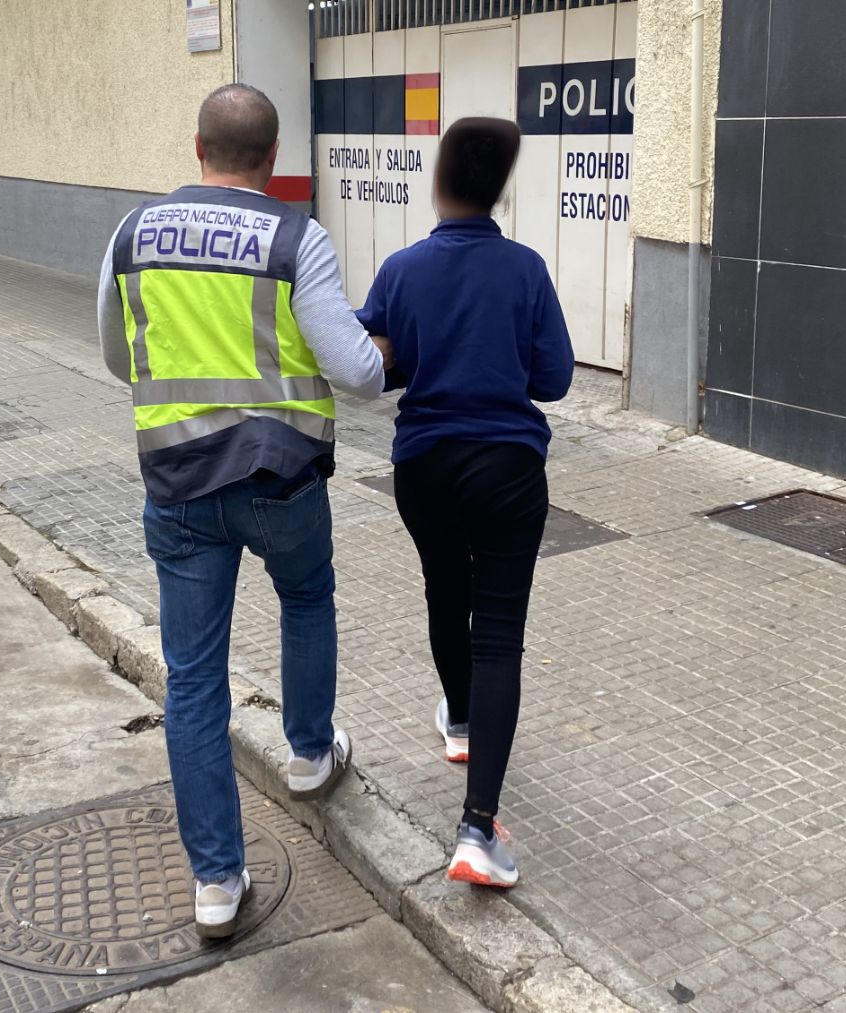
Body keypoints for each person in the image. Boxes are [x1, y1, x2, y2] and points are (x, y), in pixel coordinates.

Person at [96, 83, 385, 938]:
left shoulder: (133, 234)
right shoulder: (299, 238)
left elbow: (120, 359)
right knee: (305, 595)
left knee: (192, 680)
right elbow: (359, 374)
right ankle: (307, 754)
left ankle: (217, 884)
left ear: (197, 149)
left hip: (179, 487)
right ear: (273, 157)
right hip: (281, 481)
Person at [356, 117, 573, 890]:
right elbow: (553, 380)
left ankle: (457, 719)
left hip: (424, 468)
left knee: (445, 594)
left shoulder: (402, 269)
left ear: (439, 181)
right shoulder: (526, 269)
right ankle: (478, 828)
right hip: (510, 469)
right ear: (499, 189)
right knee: (500, 634)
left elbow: (371, 364)